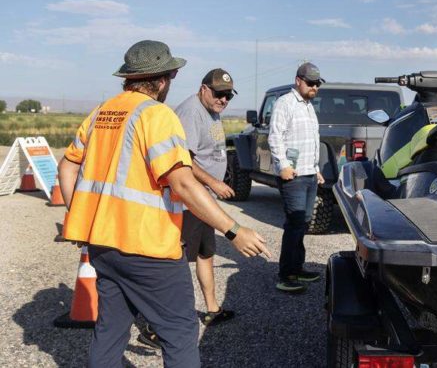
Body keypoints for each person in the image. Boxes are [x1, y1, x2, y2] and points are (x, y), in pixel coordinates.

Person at [57, 40, 270, 368]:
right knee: (180, 331)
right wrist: (234, 230)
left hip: (102, 245)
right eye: (171, 75)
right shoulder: (157, 115)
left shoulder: (101, 112)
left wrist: (79, 218)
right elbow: (183, 183)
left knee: (110, 330)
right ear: (161, 79)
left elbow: (68, 166)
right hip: (148, 249)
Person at [137, 68, 239, 349]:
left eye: (228, 95)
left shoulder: (212, 112)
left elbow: (212, 150)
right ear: (203, 88)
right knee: (176, 264)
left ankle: (212, 309)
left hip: (205, 199)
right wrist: (213, 183)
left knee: (206, 253)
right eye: (218, 93)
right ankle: (154, 326)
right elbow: (184, 163)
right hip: (190, 201)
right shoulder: (190, 113)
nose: (223, 99)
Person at [268, 62, 325, 294]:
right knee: (294, 224)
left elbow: (309, 141)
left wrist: (316, 168)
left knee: (302, 223)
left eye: (317, 84)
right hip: (293, 176)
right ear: (298, 80)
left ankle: (298, 267)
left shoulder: (309, 106)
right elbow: (275, 137)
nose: (314, 87)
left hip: (309, 174)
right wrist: (282, 166)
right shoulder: (285, 103)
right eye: (310, 83)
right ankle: (286, 274)